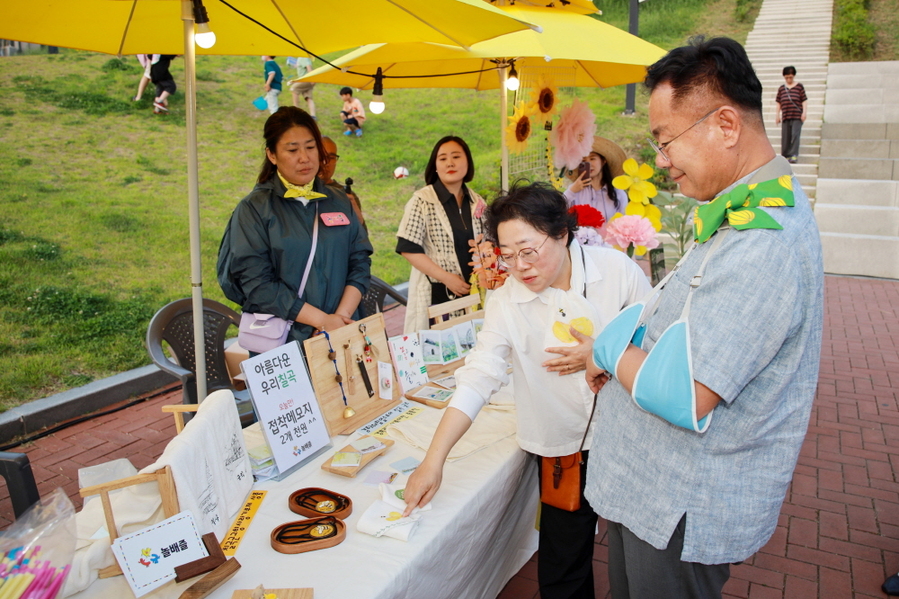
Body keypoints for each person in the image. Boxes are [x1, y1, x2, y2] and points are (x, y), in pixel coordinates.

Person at [583, 37, 823, 599]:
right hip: (651, 492)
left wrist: (608, 349)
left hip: (676, 501)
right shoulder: (743, 207)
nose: (661, 160)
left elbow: (684, 393)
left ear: (725, 125)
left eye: (667, 141)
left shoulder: (766, 240)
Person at [403, 182, 650, 599]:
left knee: (637, 555)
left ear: (562, 233)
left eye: (529, 250)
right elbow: (479, 374)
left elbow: (652, 343)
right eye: (507, 255)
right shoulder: (506, 300)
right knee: (562, 562)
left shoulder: (616, 272)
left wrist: (603, 353)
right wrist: (434, 459)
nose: (520, 267)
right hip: (563, 448)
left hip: (628, 435)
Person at [217, 107, 372, 350]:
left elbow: (360, 260)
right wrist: (321, 321)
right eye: (292, 149)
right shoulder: (254, 209)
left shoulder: (339, 200)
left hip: (344, 333)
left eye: (310, 147)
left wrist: (339, 320)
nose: (304, 157)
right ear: (272, 154)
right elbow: (257, 284)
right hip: (284, 343)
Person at [395, 135, 487, 333]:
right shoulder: (422, 200)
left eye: (456, 157)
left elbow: (489, 242)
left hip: (474, 293)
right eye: (443, 158)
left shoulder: (477, 201)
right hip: (438, 292)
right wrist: (446, 278)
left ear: (468, 163)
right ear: (435, 166)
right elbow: (408, 248)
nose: (450, 163)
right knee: (441, 353)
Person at [563, 136, 629, 227]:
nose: (589, 164)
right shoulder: (574, 191)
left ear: (603, 161)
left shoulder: (618, 193)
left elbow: (624, 223)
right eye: (584, 161)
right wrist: (571, 191)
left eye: (592, 159)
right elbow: (559, 212)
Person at [321, 136, 365, 228]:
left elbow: (360, 238)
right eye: (320, 156)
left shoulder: (345, 195)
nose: (325, 162)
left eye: (331, 158)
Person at [774, 66, 807, 164]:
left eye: (790, 77)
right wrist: (777, 115)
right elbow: (778, 102)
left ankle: (793, 155)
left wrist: (804, 113)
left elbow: (804, 101)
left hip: (796, 115)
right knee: (786, 136)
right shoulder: (782, 89)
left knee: (795, 135)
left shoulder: (799, 87)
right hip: (786, 115)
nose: (789, 79)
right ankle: (785, 155)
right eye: (787, 77)